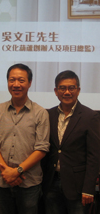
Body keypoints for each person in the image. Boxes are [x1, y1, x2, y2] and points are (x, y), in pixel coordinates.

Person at [0, 63, 50, 214]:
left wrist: (18, 171)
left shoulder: (40, 113)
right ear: (7, 82)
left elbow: (41, 148)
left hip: (29, 183)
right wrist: (7, 171)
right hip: (1, 182)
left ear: (29, 83)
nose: (16, 84)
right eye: (12, 80)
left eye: (21, 80)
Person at [42, 70, 100, 214]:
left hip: (78, 187)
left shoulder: (90, 116)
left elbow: (94, 156)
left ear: (78, 90)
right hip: (51, 183)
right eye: (62, 88)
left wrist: (89, 188)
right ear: (56, 91)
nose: (67, 92)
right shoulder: (48, 115)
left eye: (71, 88)